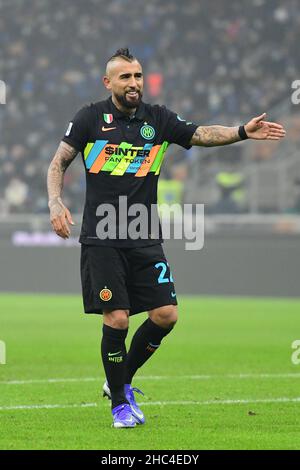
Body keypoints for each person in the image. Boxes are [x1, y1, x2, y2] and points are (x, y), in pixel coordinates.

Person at [47, 48, 286, 428]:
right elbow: (59, 161)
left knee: (166, 315)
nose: (134, 83)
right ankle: (120, 408)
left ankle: (120, 382)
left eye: (138, 76)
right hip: (103, 237)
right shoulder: (90, 118)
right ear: (108, 83)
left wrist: (242, 132)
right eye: (125, 77)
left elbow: (201, 134)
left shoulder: (157, 119)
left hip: (144, 235)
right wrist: (55, 201)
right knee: (119, 319)